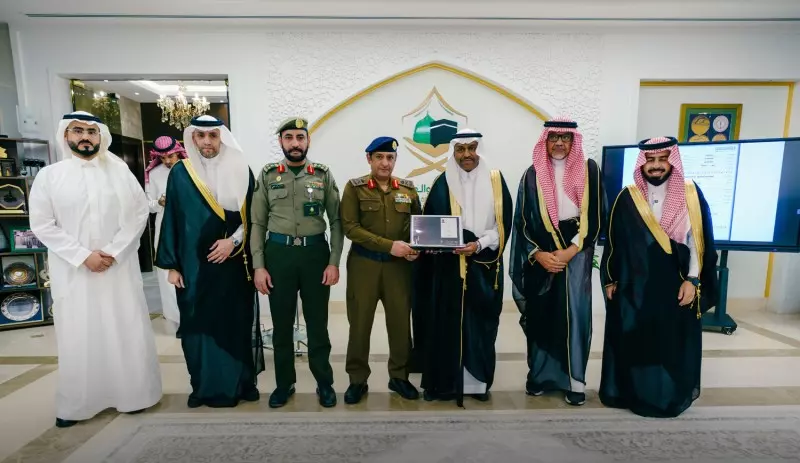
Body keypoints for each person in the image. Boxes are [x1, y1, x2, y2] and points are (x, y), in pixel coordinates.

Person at [29, 111, 161, 428]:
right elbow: (42, 224)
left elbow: (138, 215)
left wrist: (113, 252)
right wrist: (82, 256)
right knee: (78, 335)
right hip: (73, 271)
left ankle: (133, 396)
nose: (85, 136)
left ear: (100, 136)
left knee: (124, 329)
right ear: (66, 135)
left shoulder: (120, 173)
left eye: (91, 131)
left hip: (118, 270)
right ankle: (77, 405)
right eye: (78, 131)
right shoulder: (49, 176)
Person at [600, 136, 718, 418]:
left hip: (675, 282)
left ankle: (668, 395)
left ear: (672, 161)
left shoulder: (690, 194)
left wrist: (693, 280)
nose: (656, 165)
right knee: (637, 339)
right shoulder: (628, 197)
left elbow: (697, 242)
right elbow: (615, 243)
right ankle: (636, 393)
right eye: (650, 160)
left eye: (662, 159)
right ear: (642, 163)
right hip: (636, 285)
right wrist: (610, 278)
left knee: (671, 340)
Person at [155, 115, 265, 408]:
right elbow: (172, 219)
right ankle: (202, 388)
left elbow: (254, 217)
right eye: (201, 136)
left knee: (235, 322)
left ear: (222, 138)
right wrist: (172, 265)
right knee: (197, 325)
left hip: (233, 264)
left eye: (213, 136)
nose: (207, 142)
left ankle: (241, 383)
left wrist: (233, 242)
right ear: (192, 138)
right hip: (194, 267)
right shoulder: (181, 172)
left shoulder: (242, 169)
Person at [509, 117, 605, 406]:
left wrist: (570, 250)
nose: (559, 143)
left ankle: (575, 382)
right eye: (554, 138)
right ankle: (540, 376)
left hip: (576, 251)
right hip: (542, 254)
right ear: (546, 141)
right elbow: (522, 220)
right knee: (541, 316)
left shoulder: (589, 170)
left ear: (573, 141)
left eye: (565, 138)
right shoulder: (531, 174)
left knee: (574, 315)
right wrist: (538, 255)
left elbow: (595, 216)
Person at [413, 129, 512, 406]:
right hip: (448, 270)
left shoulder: (495, 181)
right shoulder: (441, 183)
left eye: (472, 148)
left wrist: (479, 244)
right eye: (461, 149)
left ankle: (477, 383)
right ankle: (444, 384)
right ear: (453, 152)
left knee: (480, 325)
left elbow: (504, 224)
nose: (467, 154)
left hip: (484, 266)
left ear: (479, 149)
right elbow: (429, 227)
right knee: (445, 325)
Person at [250, 117, 344, 408]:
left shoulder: (322, 174)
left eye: (300, 138)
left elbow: (336, 221)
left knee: (318, 325)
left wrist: (334, 262)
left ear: (308, 141)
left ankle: (324, 383)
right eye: (289, 137)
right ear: (281, 141)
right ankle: (284, 384)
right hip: (278, 256)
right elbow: (257, 223)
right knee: (281, 326)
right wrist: (259, 266)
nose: (295, 143)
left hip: (315, 255)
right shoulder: (268, 175)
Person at [339, 136, 422, 404]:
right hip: (365, 266)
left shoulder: (408, 190)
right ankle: (357, 379)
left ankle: (399, 376)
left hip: (399, 269)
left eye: (390, 158)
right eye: (379, 157)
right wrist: (389, 246)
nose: (385, 163)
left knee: (400, 324)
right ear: (369, 159)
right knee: (359, 324)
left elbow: (418, 226)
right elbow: (350, 228)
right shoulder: (355, 188)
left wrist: (415, 248)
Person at [144, 135, 187, 336]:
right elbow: (147, 204)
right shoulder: (154, 174)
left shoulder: (191, 169)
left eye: (171, 156)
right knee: (166, 274)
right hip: (164, 227)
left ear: (178, 152)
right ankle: (176, 320)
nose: (167, 161)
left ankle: (194, 317)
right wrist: (158, 203)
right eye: (163, 158)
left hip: (189, 227)